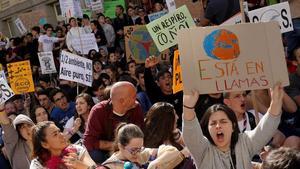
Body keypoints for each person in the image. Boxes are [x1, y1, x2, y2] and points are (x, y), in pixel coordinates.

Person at [182, 83, 284, 169]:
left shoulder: (245, 143)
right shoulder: (203, 150)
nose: (218, 126)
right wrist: (188, 107)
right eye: (213, 123)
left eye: (223, 121)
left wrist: (276, 102)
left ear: (233, 126)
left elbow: (266, 128)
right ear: (207, 129)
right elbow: (190, 132)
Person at [83, 81, 144, 164]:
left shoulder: (136, 108)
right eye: (133, 96)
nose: (136, 99)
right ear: (122, 101)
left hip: (131, 150)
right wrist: (118, 147)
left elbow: (140, 134)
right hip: (106, 153)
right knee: (94, 154)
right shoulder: (98, 111)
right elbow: (89, 141)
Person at [144, 102, 196, 168]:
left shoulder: (175, 134)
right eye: (175, 115)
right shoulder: (150, 148)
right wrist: (183, 153)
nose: (177, 117)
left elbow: (192, 146)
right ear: (167, 122)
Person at [30, 121, 95, 169]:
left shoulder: (77, 150)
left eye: (59, 131)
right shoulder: (37, 165)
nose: (62, 135)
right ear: (45, 144)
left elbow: (95, 167)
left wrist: (81, 166)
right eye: (55, 134)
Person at [144, 56, 183, 127]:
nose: (167, 79)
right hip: (164, 131)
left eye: (169, 77)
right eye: (163, 78)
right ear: (158, 83)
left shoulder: (179, 93)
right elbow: (148, 83)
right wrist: (147, 68)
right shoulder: (156, 96)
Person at [0, 104, 35, 169]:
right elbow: (7, 127)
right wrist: (1, 109)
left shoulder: (43, 142)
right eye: (22, 127)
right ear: (18, 131)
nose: (27, 129)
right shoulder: (14, 144)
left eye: (29, 125)